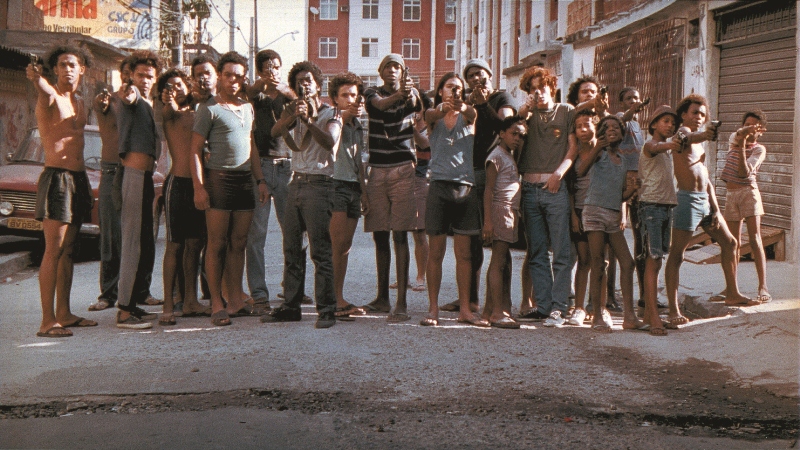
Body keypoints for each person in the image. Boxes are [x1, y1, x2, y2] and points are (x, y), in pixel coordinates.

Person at [664, 95, 757, 330]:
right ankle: (673, 310)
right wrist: (705, 134)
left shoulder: (699, 142)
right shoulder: (682, 135)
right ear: (684, 114)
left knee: (731, 243)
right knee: (677, 254)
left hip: (705, 202)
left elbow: (706, 178)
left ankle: (732, 293)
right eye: (695, 112)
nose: (699, 117)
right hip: (687, 201)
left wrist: (714, 207)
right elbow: (686, 136)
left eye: (703, 114)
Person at [190, 51, 269, 327]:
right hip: (218, 181)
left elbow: (253, 148)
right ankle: (216, 303)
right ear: (220, 77)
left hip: (245, 182)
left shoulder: (248, 107)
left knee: (239, 243)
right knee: (217, 243)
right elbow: (195, 151)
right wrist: (200, 188)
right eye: (228, 75)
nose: (233, 81)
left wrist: (260, 180)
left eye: (238, 76)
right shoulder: (208, 108)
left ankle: (236, 299)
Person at [261, 61, 341, 329]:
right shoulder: (291, 111)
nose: (304, 85)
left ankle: (327, 310)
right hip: (295, 183)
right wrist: (291, 117)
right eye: (299, 82)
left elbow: (329, 142)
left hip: (320, 184)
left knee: (320, 251)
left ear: (319, 85)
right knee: (292, 249)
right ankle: (291, 306)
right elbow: (273, 134)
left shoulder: (331, 113)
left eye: (309, 80)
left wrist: (308, 119)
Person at [28, 46, 98, 337]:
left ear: (82, 69)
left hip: (78, 178)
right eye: (62, 65)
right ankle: (47, 321)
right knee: (53, 251)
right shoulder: (50, 96)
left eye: (73, 64)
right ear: (54, 70)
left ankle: (64, 314)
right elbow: (43, 89)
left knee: (69, 251)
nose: (68, 69)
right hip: (57, 178)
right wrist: (36, 78)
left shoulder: (80, 102)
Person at [419, 72, 485, 327]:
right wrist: (442, 107)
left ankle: (465, 310)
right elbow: (430, 116)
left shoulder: (468, 116)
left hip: (465, 188)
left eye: (459, 88)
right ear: (440, 91)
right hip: (438, 187)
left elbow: (472, 115)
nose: (455, 91)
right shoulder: (433, 116)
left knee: (464, 255)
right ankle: (433, 309)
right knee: (435, 252)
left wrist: (464, 105)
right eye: (450, 87)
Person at [360, 54, 422, 321]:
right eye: (388, 66)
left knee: (400, 234)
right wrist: (402, 96)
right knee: (380, 235)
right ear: (381, 71)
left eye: (397, 66)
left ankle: (402, 303)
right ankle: (382, 298)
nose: (392, 70)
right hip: (377, 171)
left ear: (403, 72)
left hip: (402, 170)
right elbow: (380, 105)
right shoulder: (371, 92)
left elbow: (415, 103)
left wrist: (409, 95)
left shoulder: (412, 93)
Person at [516, 67, 577, 326]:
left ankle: (559, 307)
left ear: (552, 86)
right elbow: (514, 128)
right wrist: (524, 112)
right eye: (532, 88)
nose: (538, 92)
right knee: (537, 251)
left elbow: (573, 147)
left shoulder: (566, 111)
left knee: (562, 251)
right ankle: (543, 304)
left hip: (554, 187)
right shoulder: (526, 116)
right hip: (529, 189)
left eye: (542, 86)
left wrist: (558, 174)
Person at [576, 115, 643, 332]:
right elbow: (581, 170)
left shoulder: (623, 160)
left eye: (616, 127)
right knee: (598, 263)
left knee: (627, 262)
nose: (612, 130)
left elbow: (619, 194)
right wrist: (597, 147)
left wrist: (632, 190)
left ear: (622, 134)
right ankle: (597, 316)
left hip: (613, 215)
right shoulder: (598, 154)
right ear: (600, 133)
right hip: (594, 211)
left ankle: (629, 316)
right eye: (606, 127)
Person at [244, 49, 297, 308]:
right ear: (259, 70)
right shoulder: (257, 97)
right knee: (257, 234)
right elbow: (249, 93)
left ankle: (292, 288)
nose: (272, 70)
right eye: (266, 66)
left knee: (293, 232)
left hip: (287, 166)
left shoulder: (289, 95)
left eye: (276, 66)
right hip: (262, 166)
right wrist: (263, 82)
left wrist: (284, 89)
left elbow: (300, 102)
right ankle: (259, 293)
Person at [114, 50, 163, 329]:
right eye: (141, 75)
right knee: (132, 241)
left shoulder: (147, 102)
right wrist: (128, 90)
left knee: (144, 241)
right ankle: (123, 310)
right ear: (131, 75)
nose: (145, 80)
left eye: (150, 76)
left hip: (145, 177)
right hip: (132, 175)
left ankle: (132, 302)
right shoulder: (131, 95)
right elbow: (127, 95)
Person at [157, 68, 210, 325]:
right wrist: (169, 100)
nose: (174, 89)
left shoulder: (200, 112)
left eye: (179, 85)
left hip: (199, 185)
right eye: (169, 86)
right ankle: (169, 303)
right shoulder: (170, 114)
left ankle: (191, 301)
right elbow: (167, 110)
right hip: (177, 185)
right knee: (175, 246)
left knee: (195, 246)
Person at [89, 57, 130, 312]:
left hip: (137, 172)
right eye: (125, 73)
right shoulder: (110, 101)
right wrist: (101, 100)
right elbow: (99, 104)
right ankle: (107, 293)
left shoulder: (145, 103)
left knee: (139, 236)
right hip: (112, 172)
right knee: (111, 236)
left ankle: (140, 291)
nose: (129, 78)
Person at [327, 72, 368, 319]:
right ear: (335, 98)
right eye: (345, 95)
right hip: (335, 184)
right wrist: (344, 116)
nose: (350, 99)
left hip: (353, 186)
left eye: (354, 94)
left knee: (345, 247)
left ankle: (338, 295)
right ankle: (332, 299)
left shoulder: (357, 124)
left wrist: (364, 190)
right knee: (335, 245)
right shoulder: (333, 118)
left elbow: (360, 160)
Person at [638, 105, 681, 336]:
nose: (670, 126)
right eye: (665, 121)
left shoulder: (666, 150)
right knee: (653, 260)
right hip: (651, 206)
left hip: (666, 206)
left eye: (672, 123)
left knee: (658, 259)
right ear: (654, 124)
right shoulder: (651, 144)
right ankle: (653, 316)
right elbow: (654, 146)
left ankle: (648, 313)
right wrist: (671, 144)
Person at [720, 110, 770, 303]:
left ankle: (763, 286)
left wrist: (742, 143)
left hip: (749, 193)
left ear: (761, 131)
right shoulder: (735, 139)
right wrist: (743, 135)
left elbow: (743, 172)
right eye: (746, 125)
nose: (749, 130)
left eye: (754, 127)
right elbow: (737, 135)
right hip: (731, 195)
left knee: (755, 239)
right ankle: (731, 288)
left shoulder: (759, 150)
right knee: (733, 244)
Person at [481, 116, 526, 329]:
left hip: (510, 211)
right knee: (498, 262)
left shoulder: (509, 155)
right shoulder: (496, 156)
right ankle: (497, 312)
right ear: (502, 133)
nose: (517, 138)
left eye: (521, 135)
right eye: (514, 133)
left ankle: (490, 309)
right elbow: (488, 190)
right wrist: (488, 221)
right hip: (500, 209)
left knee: (502, 260)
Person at [616, 87, 648, 308]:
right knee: (616, 235)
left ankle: (645, 293)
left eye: (636, 98)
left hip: (638, 185)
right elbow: (623, 119)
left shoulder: (638, 126)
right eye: (629, 99)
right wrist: (631, 110)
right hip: (621, 184)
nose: (633, 102)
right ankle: (608, 296)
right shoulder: (621, 118)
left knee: (641, 239)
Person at [566, 109, 597, 326]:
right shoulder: (573, 154)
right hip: (579, 211)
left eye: (587, 124)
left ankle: (597, 306)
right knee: (583, 260)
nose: (584, 130)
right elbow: (569, 188)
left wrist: (622, 213)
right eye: (579, 127)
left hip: (601, 213)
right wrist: (573, 216)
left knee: (600, 262)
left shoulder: (604, 152)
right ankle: (579, 307)